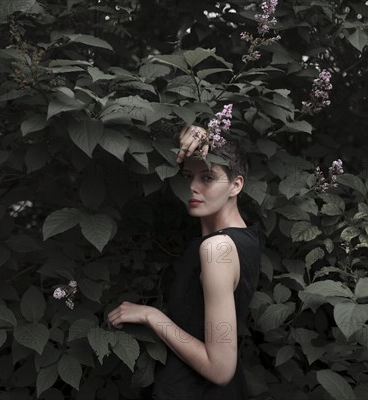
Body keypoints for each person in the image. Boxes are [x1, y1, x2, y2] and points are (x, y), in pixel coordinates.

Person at [107, 125, 262, 399]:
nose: (192, 186)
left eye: (208, 177)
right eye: (189, 176)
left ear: (236, 185)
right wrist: (189, 131)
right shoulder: (242, 239)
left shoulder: (217, 249)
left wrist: (151, 316)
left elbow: (220, 369)